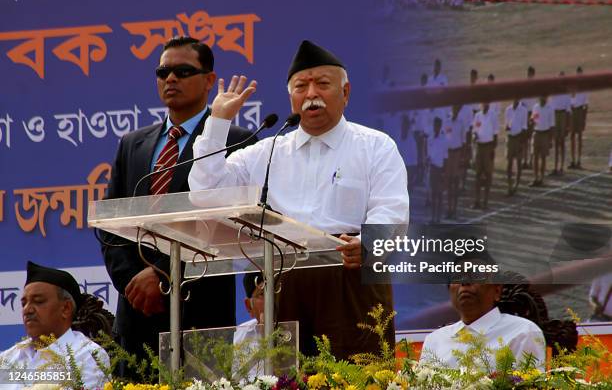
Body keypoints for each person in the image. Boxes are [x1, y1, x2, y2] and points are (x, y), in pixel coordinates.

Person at [188, 40, 410, 360]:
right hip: (286, 280)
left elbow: (392, 209)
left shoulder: (375, 146)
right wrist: (218, 122)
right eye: (300, 87)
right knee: (289, 378)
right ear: (291, 97)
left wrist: (369, 244)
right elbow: (206, 192)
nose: (311, 94)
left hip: (350, 274)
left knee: (362, 377)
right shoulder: (269, 150)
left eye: (322, 84)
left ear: (345, 93)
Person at [101, 36, 256, 369]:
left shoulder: (237, 141)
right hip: (137, 308)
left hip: (202, 306)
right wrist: (136, 281)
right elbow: (111, 226)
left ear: (209, 81)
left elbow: (225, 229)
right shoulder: (132, 144)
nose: (170, 79)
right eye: (163, 71)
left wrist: (165, 277)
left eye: (183, 71)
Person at [0, 262, 110, 389]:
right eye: (24, 303)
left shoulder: (88, 356)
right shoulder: (8, 358)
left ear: (66, 308)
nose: (27, 310)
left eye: (38, 301)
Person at [420, 265, 546, 371]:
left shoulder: (523, 332)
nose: (465, 282)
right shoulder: (435, 339)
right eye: (457, 277)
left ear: (497, 291)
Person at [472, 103, 498, 210]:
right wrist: (474, 136)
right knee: (477, 174)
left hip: (488, 146)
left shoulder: (493, 115)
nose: (485, 104)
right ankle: (477, 201)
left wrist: (492, 149)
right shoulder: (477, 115)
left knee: (488, 174)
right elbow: (475, 130)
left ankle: (485, 201)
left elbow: (496, 134)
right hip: (479, 146)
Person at [550, 71, 571, 176]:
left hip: (562, 115)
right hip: (555, 115)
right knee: (556, 142)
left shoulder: (566, 92)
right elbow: (551, 106)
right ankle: (555, 166)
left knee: (561, 142)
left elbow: (568, 110)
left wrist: (567, 125)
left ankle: (561, 166)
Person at [504, 100, 528, 195]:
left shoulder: (523, 110)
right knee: (509, 162)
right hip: (510, 137)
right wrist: (507, 127)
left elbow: (524, 127)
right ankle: (509, 186)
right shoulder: (508, 109)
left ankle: (516, 186)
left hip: (518, 137)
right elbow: (506, 124)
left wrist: (521, 142)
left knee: (518, 162)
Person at [530, 96, 554, 187]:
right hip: (536, 133)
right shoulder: (535, 107)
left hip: (545, 134)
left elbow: (552, 125)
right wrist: (531, 121)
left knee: (543, 157)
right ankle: (535, 178)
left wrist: (550, 139)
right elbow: (533, 119)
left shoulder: (550, 108)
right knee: (535, 157)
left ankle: (542, 179)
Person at [569, 66, 588, 169]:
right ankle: (572, 160)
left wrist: (584, 118)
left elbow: (586, 104)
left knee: (579, 136)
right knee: (572, 136)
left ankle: (579, 160)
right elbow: (570, 99)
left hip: (580, 110)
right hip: (573, 110)